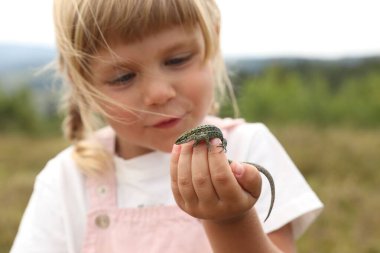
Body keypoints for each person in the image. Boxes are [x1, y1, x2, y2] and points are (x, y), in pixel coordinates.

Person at [11, 0, 323, 252]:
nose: (160, 93)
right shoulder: (65, 180)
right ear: (81, 85)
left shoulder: (249, 145)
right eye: (123, 77)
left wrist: (232, 220)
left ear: (211, 40)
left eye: (177, 60)